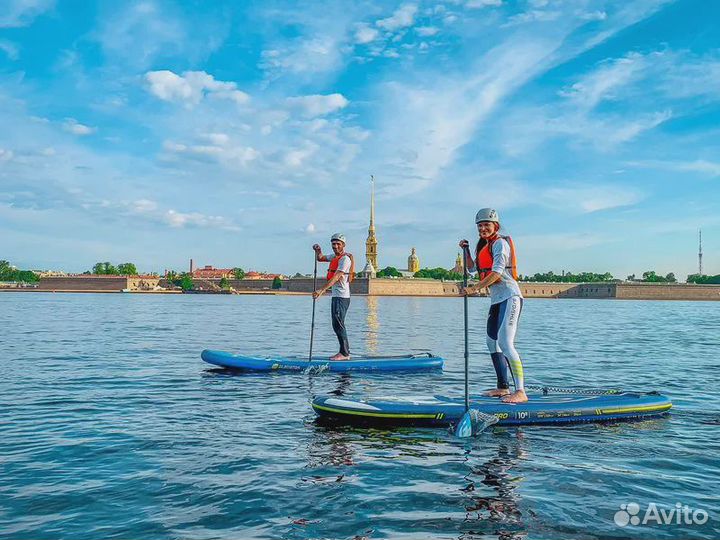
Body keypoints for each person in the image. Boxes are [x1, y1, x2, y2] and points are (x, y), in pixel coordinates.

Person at [460, 208, 527, 403]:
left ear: (495, 226)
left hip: (511, 296)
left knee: (506, 343)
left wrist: (474, 290)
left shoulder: (499, 244)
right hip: (497, 299)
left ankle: (520, 391)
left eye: (486, 225)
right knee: (492, 343)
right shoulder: (483, 245)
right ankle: (503, 388)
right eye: (480, 226)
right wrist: (465, 250)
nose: (483, 228)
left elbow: (497, 273)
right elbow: (472, 268)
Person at [312, 233, 355, 360]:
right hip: (336, 296)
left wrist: (321, 290)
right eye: (333, 244)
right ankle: (344, 352)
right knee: (336, 324)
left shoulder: (344, 259)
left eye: (338, 244)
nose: (335, 246)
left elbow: (336, 277)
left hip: (342, 297)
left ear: (343, 245)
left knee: (338, 324)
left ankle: (345, 353)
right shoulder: (334, 257)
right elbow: (320, 258)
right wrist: (318, 250)